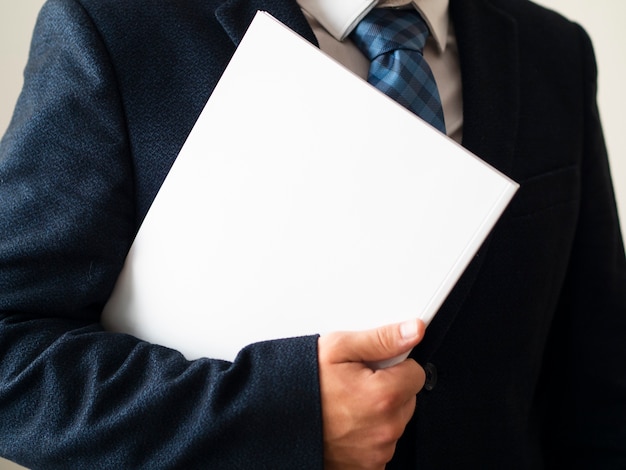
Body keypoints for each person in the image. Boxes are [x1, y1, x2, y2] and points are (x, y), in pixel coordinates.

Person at [1, 0, 625, 468]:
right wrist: (284, 415)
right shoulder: (120, 22)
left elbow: (594, 371)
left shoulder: (555, 51)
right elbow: (13, 355)